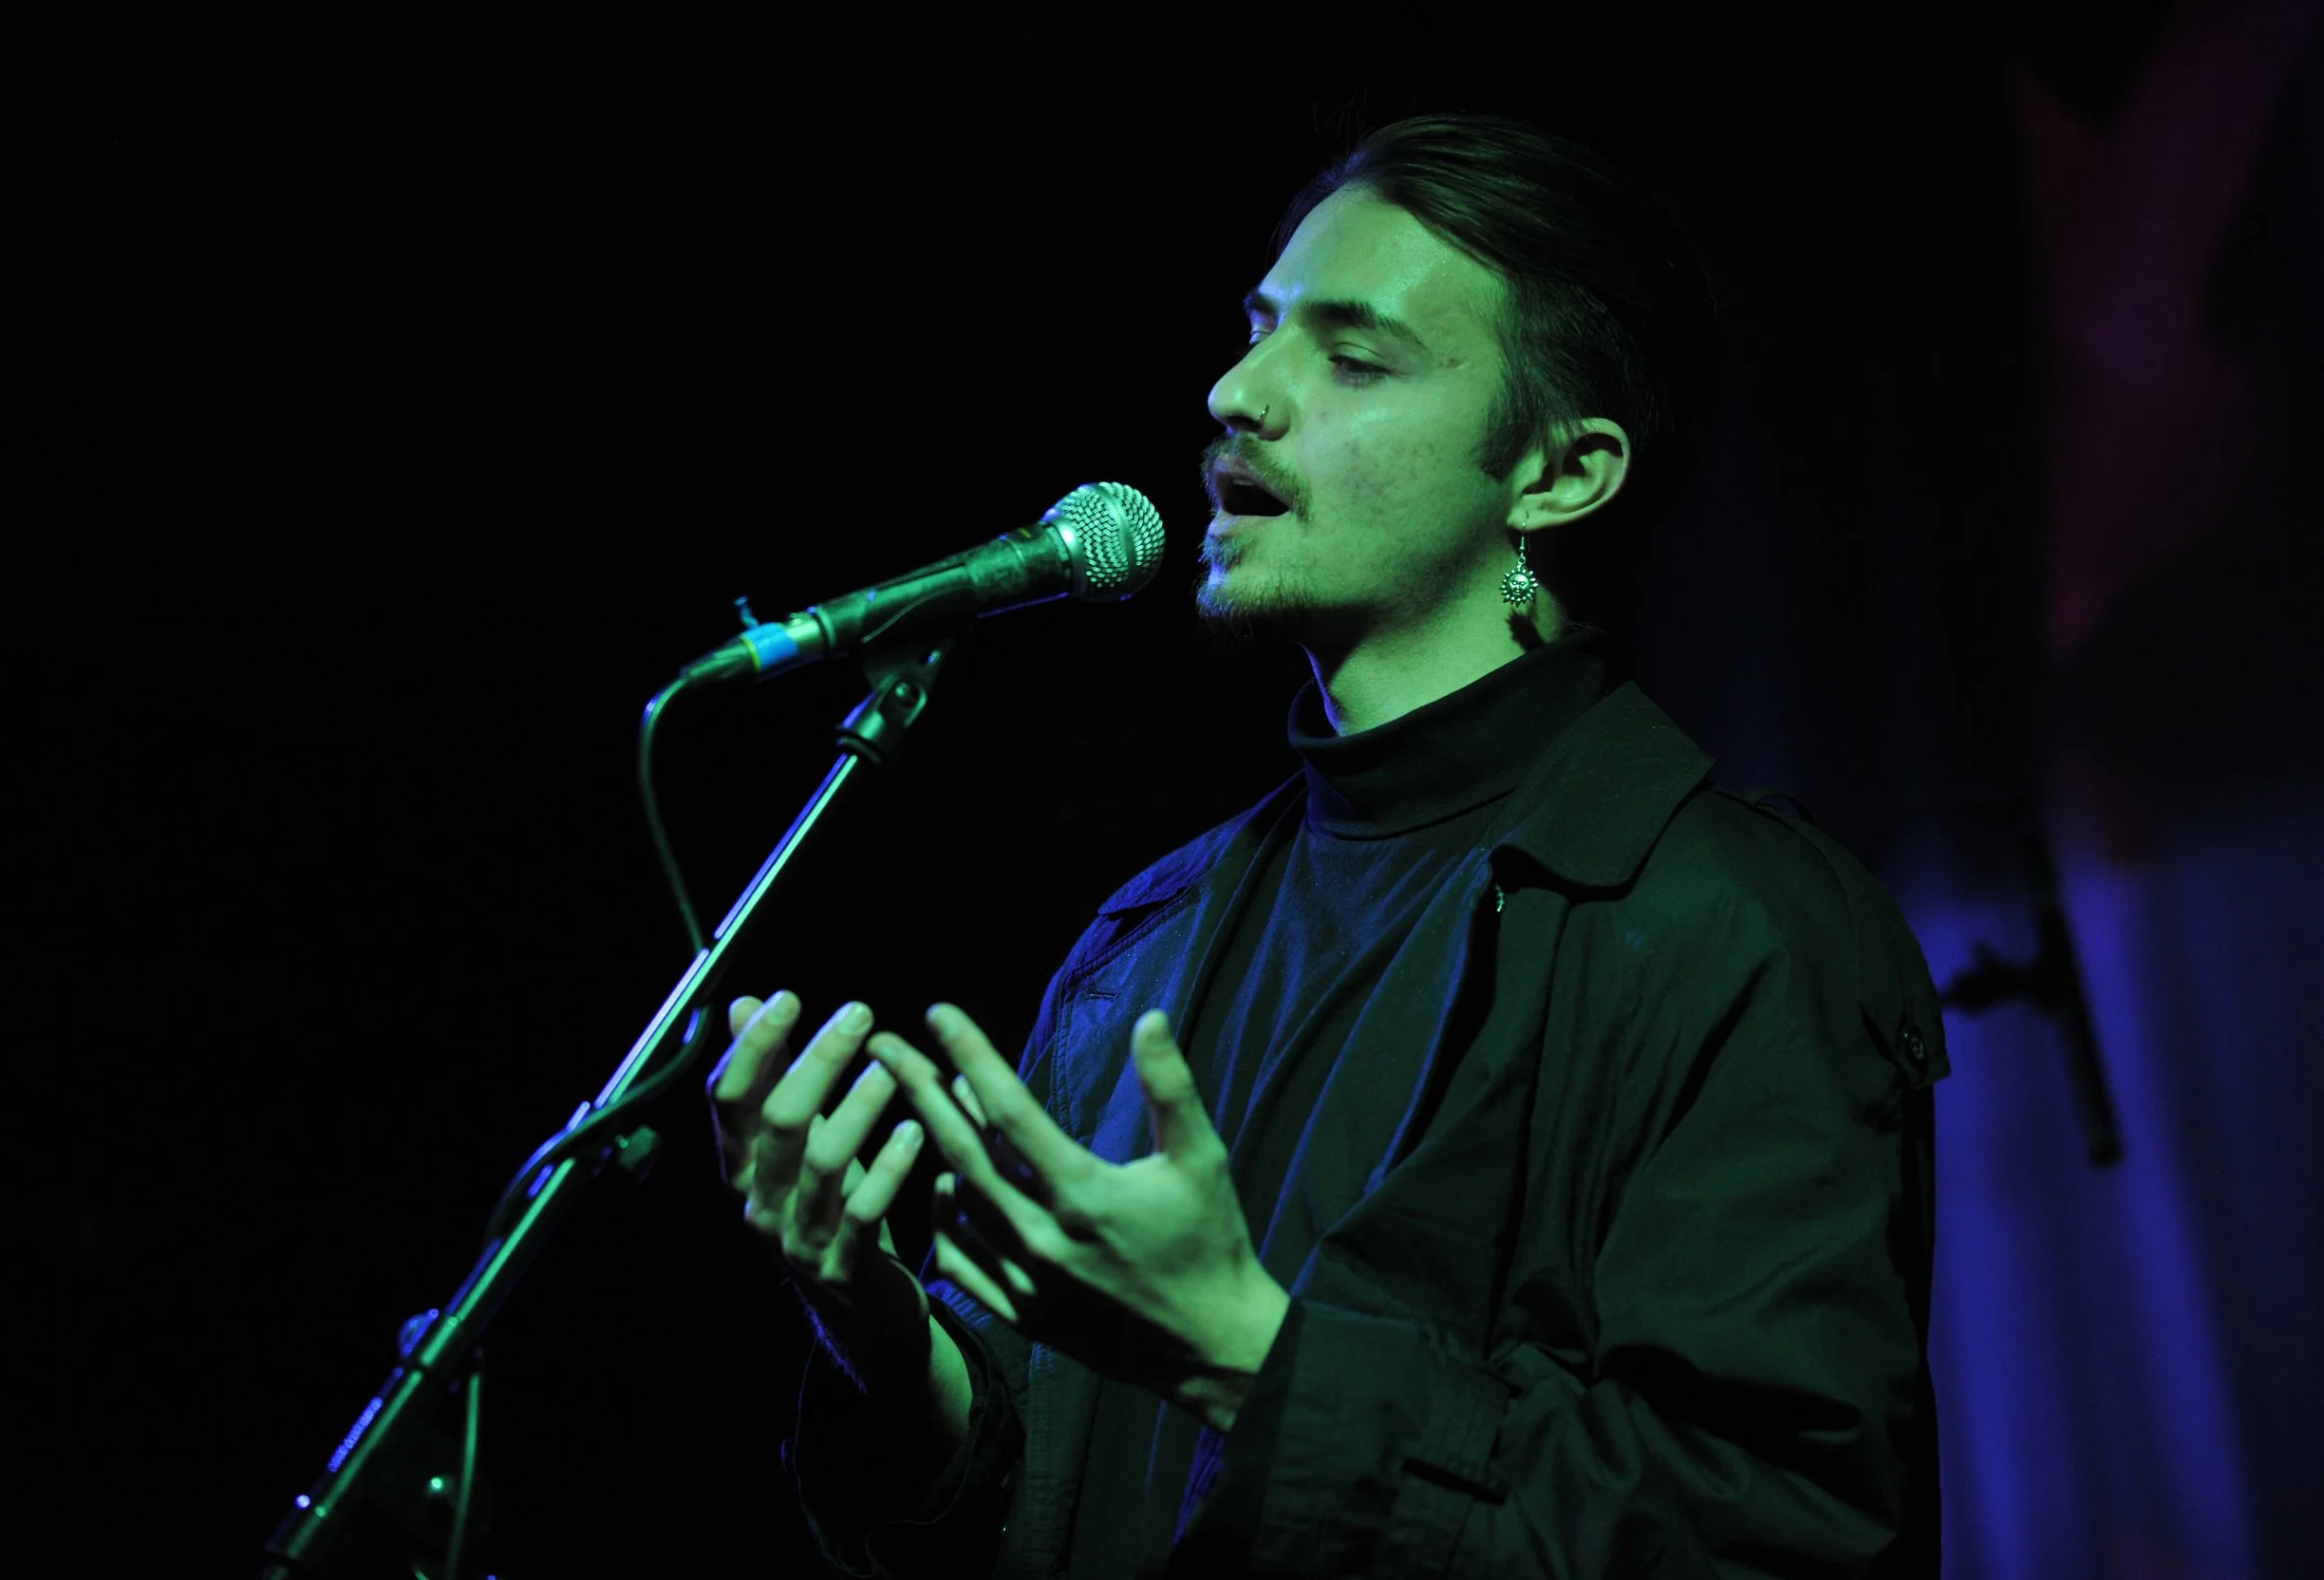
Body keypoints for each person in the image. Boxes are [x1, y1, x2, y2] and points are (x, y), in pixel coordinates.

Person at [708, 114, 1947, 1578]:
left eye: (1351, 358)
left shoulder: (1736, 925)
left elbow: (1773, 1532)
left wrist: (1249, 1355)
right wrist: (884, 1342)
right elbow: (1031, 1490)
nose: (1238, 393)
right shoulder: (1145, 939)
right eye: (1257, 335)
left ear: (1561, 473)